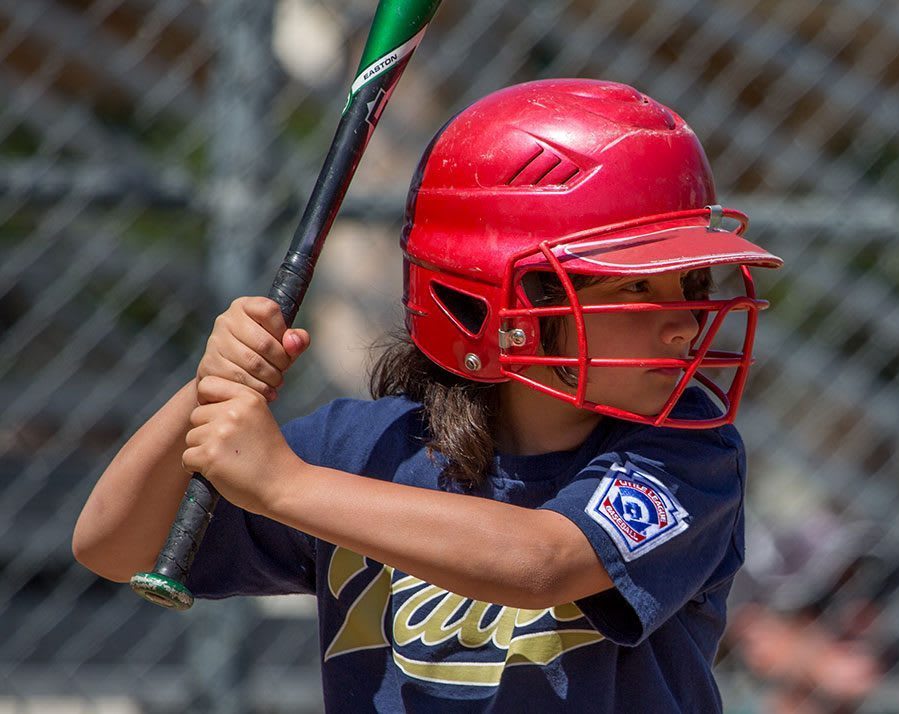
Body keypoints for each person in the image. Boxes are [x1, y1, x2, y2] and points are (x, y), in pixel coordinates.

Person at [72, 78, 782, 712]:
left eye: (690, 284)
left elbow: (543, 562)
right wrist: (210, 386)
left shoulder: (684, 449)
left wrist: (284, 486)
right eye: (635, 288)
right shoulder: (364, 450)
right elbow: (113, 545)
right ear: (499, 298)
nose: (686, 322)